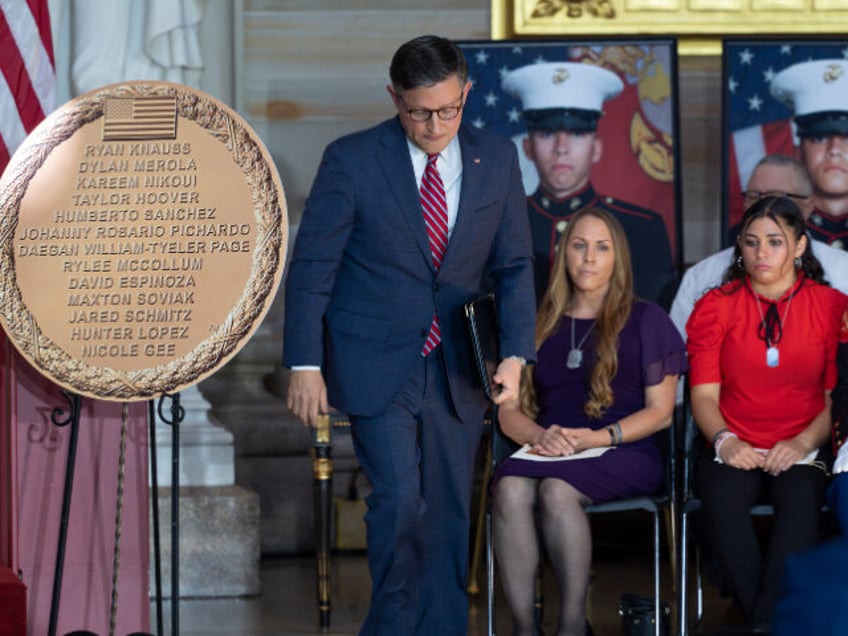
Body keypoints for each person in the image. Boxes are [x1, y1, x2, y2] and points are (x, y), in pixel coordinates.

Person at [282, 35, 537, 635]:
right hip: (375, 360)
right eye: (419, 111)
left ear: (467, 93)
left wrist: (518, 354)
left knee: (448, 513)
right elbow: (313, 266)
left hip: (458, 364)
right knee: (398, 502)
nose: (435, 124)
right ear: (394, 98)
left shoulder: (496, 158)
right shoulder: (352, 158)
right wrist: (303, 362)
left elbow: (515, 267)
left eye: (449, 109)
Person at [490, 207, 687, 636]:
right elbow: (508, 411)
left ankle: (571, 626)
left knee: (559, 493)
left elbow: (660, 413)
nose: (589, 258)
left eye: (602, 247)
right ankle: (525, 627)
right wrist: (544, 436)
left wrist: (595, 438)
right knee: (507, 488)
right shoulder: (538, 322)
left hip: (623, 446)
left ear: (618, 258)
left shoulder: (646, 319)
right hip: (550, 443)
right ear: (564, 255)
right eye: (579, 246)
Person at [686, 195, 848, 632]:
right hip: (732, 439)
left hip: (803, 442)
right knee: (719, 500)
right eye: (752, 242)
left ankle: (760, 622)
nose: (761, 253)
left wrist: (800, 443)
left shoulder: (832, 307)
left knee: (800, 504)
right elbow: (702, 396)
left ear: (799, 246)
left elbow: (836, 397)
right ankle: (771, 620)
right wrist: (725, 440)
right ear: (739, 245)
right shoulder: (715, 306)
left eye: (775, 242)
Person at [501, 61, 676, 306]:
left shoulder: (641, 229)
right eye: (547, 133)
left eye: (577, 134)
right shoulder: (501, 225)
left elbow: (648, 323)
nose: (561, 148)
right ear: (527, 147)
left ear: (596, 149)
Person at [670, 154, 848, 338]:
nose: (762, 206)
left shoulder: (843, 270)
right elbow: (678, 353)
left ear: (808, 206)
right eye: (753, 196)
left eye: (775, 198)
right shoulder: (703, 275)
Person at [770, 58, 848, 249]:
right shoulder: (764, 234)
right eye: (819, 138)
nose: (834, 150)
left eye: (847, 138)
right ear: (799, 151)